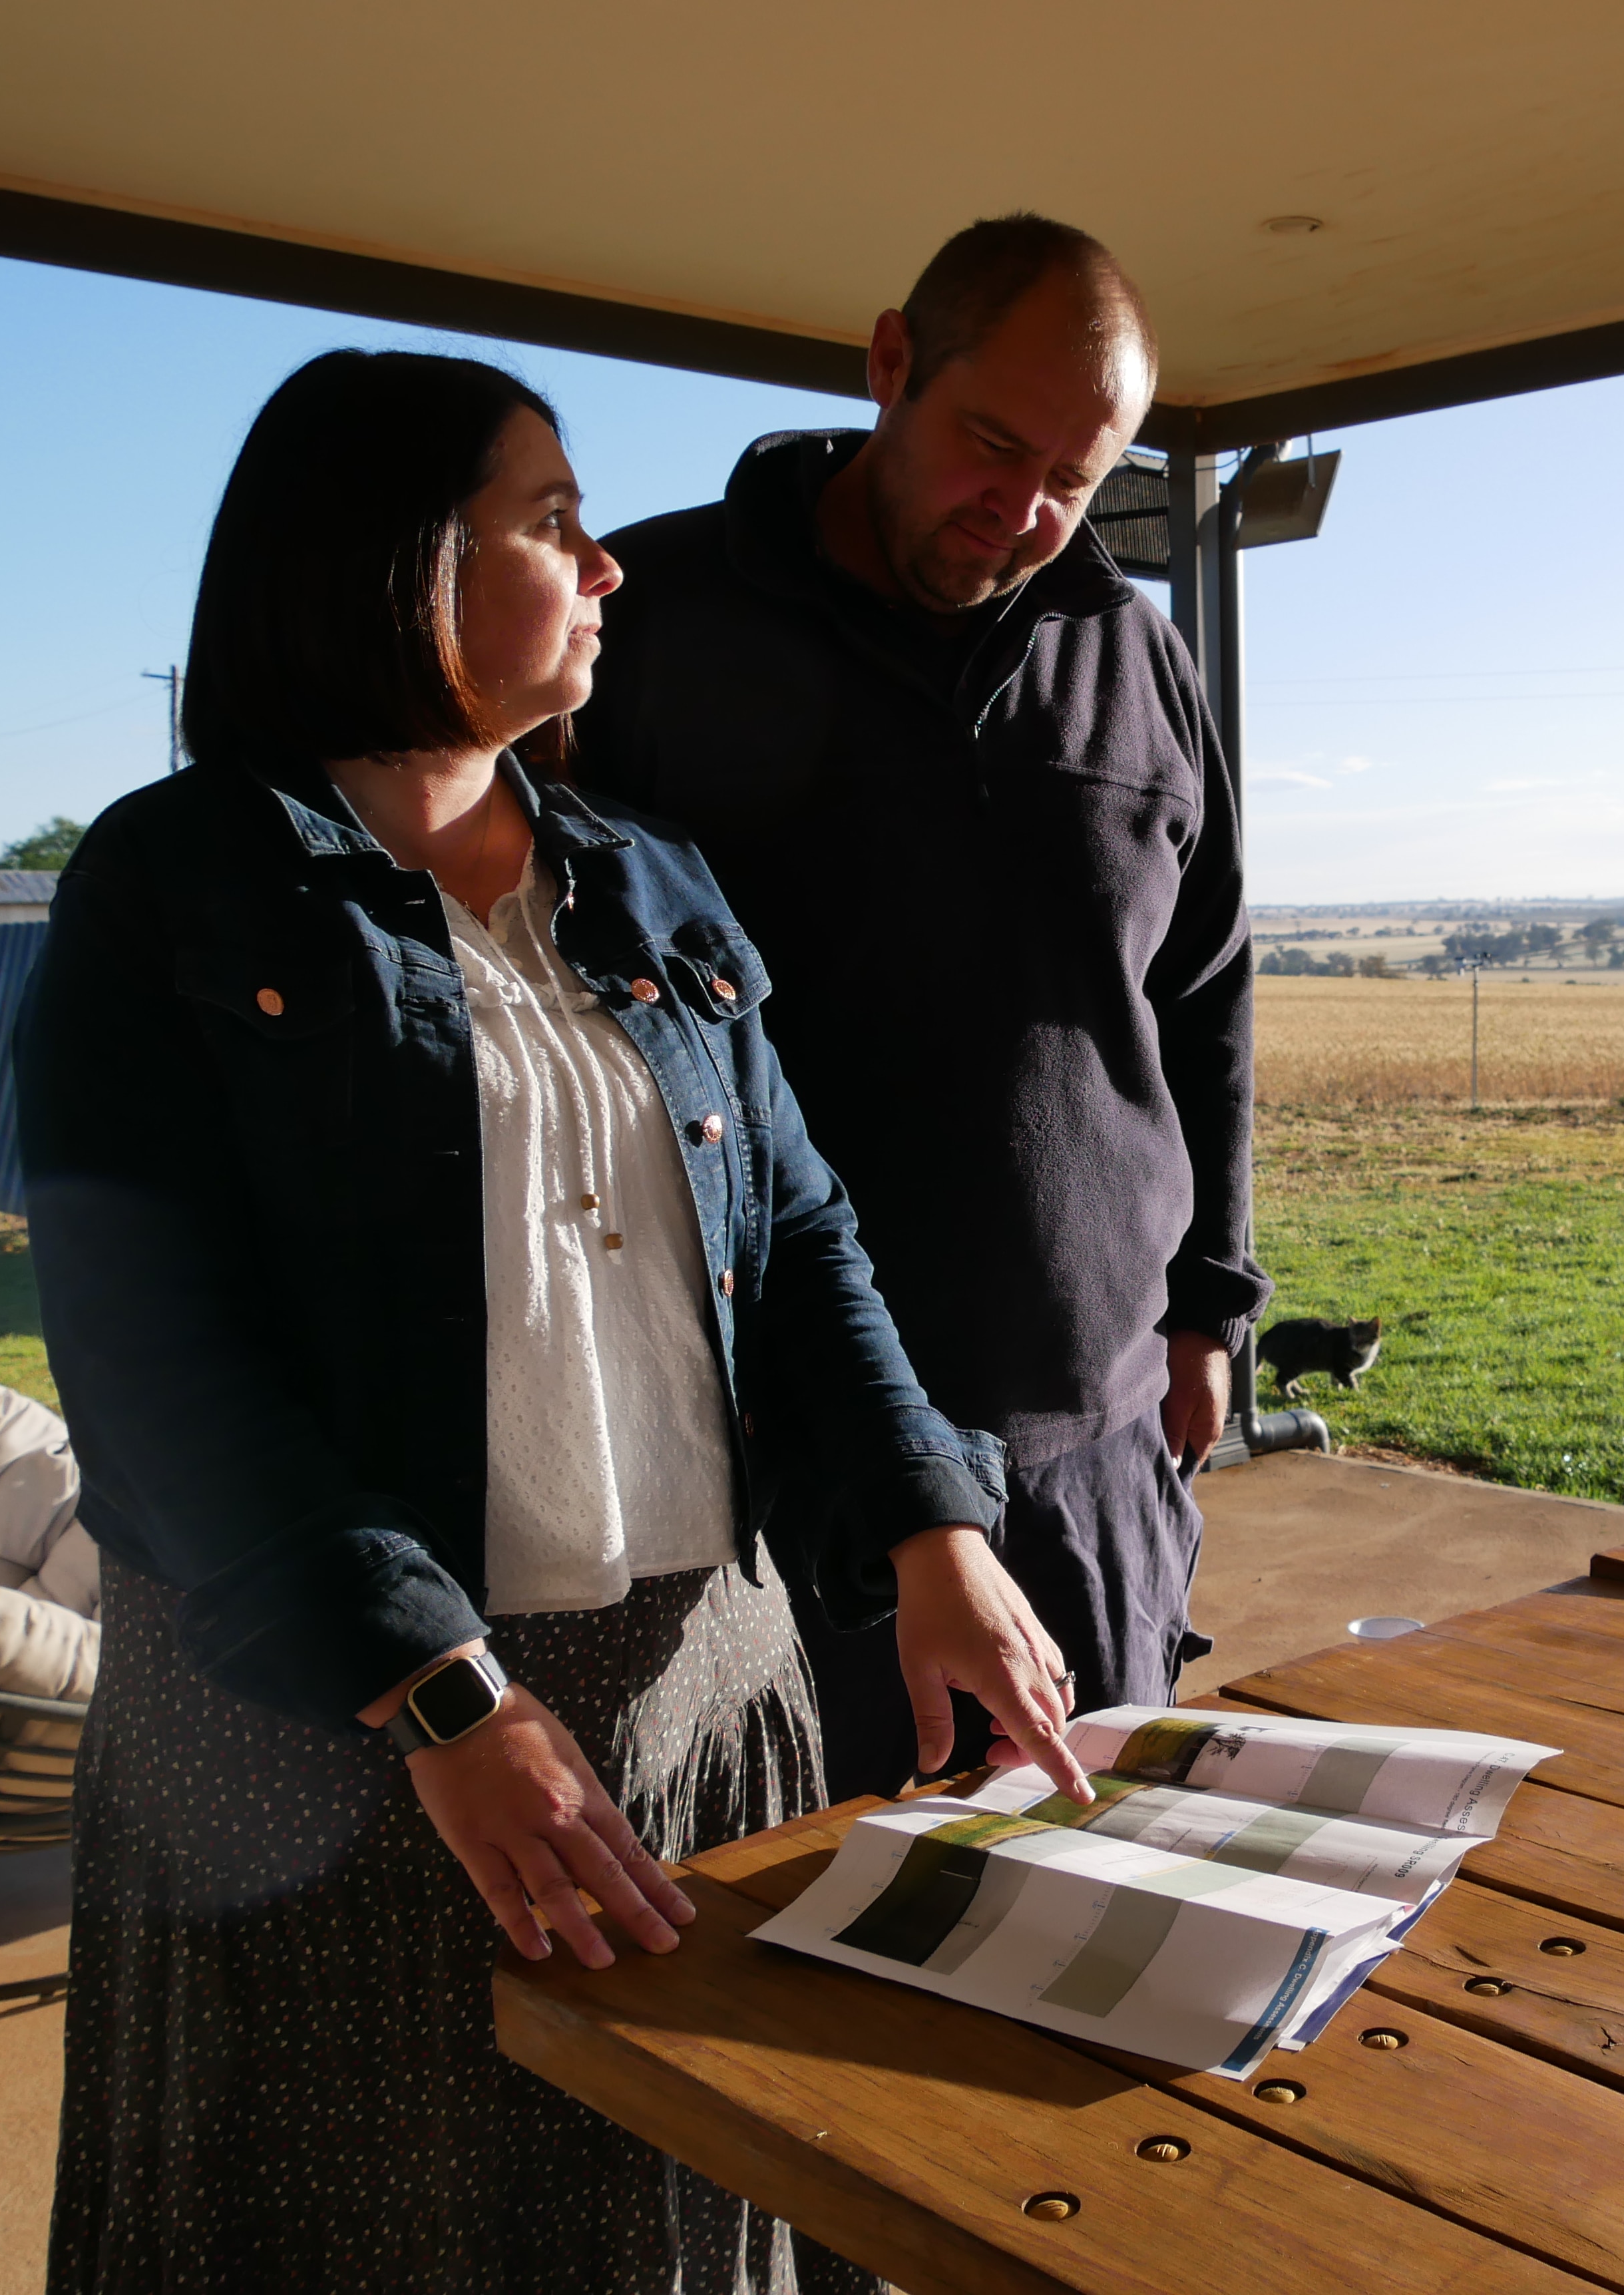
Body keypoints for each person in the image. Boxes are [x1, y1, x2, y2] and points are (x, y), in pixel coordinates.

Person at [23, 349, 1086, 2295]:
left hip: (689, 1711)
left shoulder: (650, 881)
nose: (608, 568)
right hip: (331, 1755)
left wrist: (935, 1527)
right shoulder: (173, 890)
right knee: (359, 2236)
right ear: (393, 556)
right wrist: (443, 1694)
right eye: (552, 519)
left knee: (658, 2234)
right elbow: (153, 1358)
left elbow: (809, 1239)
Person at [576, 215, 1267, 1800]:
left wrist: (1210, 1300)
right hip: (768, 1458)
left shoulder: (1137, 655)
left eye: (1073, 479)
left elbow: (1205, 985)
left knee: (1088, 1897)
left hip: (1095, 1436)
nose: (1020, 512)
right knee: (795, 1947)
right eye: (990, 442)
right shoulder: (651, 617)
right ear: (890, 362)